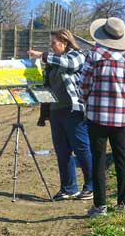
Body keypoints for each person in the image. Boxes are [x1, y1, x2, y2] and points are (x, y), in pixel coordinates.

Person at [79, 17, 125, 216]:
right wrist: (123, 99)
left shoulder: (94, 54)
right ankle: (123, 202)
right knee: (122, 158)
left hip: (97, 116)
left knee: (98, 160)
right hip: (121, 118)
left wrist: (86, 98)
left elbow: (84, 85)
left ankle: (100, 205)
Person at [28, 29, 93, 201]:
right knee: (62, 152)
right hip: (56, 111)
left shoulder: (78, 55)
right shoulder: (53, 63)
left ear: (65, 42)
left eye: (53, 43)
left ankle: (91, 186)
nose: (51, 46)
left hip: (74, 111)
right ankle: (68, 188)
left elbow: (69, 64)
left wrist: (42, 55)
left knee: (81, 149)